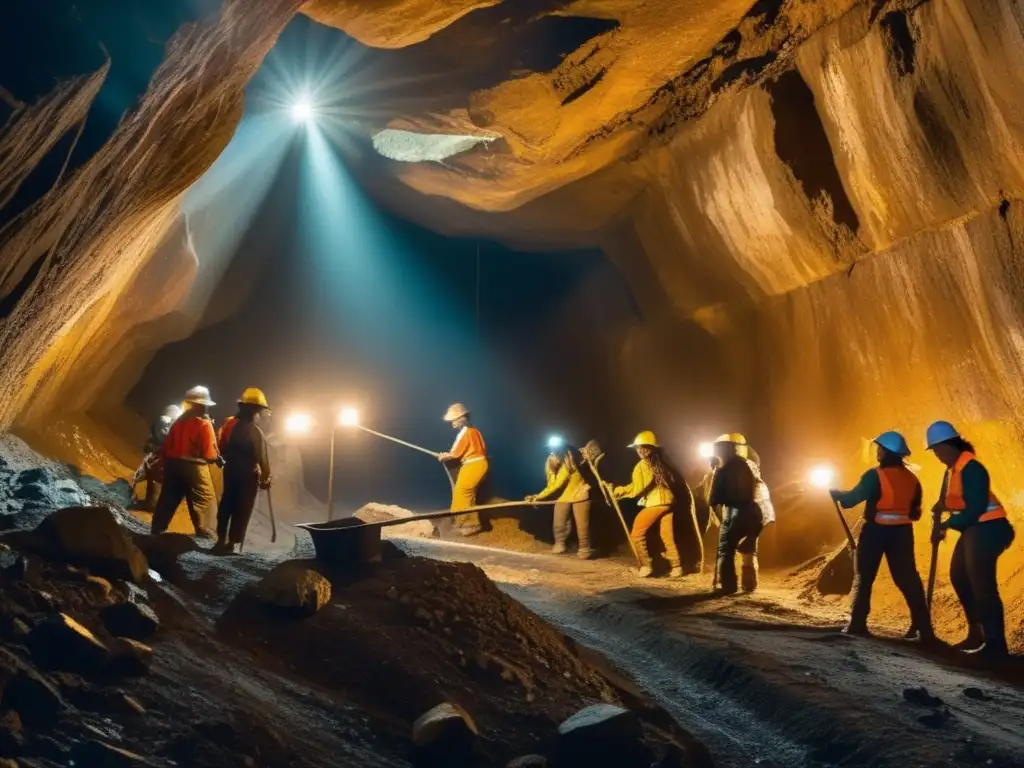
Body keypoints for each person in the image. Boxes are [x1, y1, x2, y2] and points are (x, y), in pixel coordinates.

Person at [829, 431, 933, 640]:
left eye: (880, 448)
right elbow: (915, 511)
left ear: (886, 452)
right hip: (903, 533)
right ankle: (923, 628)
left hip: (876, 532)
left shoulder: (874, 475)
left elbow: (850, 501)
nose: (877, 451)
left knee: (865, 577)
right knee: (908, 579)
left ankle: (857, 624)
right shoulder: (912, 478)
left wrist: (838, 494)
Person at [926, 421, 1015, 657]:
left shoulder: (973, 469)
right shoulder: (953, 470)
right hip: (974, 528)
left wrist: (946, 525)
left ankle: (996, 644)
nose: (937, 455)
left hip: (990, 528)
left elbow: (974, 508)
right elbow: (955, 500)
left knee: (982, 584)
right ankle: (978, 633)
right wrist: (940, 508)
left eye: (938, 450)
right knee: (959, 576)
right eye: (934, 451)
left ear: (950, 445)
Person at [609, 431, 696, 578]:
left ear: (650, 449)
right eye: (638, 448)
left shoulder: (643, 465)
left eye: (642, 447)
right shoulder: (663, 463)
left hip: (656, 503)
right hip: (669, 503)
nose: (639, 451)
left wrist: (616, 491)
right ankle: (676, 567)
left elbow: (638, 488)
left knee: (637, 534)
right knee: (666, 536)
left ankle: (645, 566)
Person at [151, 386, 221, 539]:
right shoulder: (204, 424)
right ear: (203, 405)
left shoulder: (178, 422)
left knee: (168, 499)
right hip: (195, 469)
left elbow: (167, 446)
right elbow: (209, 454)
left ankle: (156, 530)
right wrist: (217, 458)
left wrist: (163, 465)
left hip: (173, 466)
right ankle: (207, 535)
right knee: (205, 503)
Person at [212, 388, 272, 554]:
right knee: (242, 509)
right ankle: (232, 544)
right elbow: (262, 459)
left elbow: (221, 445)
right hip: (247, 475)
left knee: (227, 504)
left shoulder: (229, 424)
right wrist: (266, 478)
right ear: (256, 412)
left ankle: (220, 540)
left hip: (230, 471)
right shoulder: (255, 432)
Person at [707, 433, 763, 594]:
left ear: (725, 448)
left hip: (733, 511)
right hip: (752, 511)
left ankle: (727, 585)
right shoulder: (748, 466)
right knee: (748, 548)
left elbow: (714, 496)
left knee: (726, 548)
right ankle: (749, 583)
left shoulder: (724, 468)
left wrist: (714, 502)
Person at [527, 441, 593, 559]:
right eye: (552, 449)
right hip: (564, 495)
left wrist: (538, 496)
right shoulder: (550, 460)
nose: (553, 451)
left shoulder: (570, 458)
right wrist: (538, 496)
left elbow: (557, 484)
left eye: (556, 448)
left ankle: (584, 548)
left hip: (580, 492)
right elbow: (551, 484)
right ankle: (560, 545)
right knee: (559, 522)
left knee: (582, 524)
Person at [437, 403, 488, 536]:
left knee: (463, 492)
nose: (452, 423)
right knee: (462, 493)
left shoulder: (467, 432)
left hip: (474, 464)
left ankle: (470, 524)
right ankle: (463, 523)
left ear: (461, 418)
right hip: (471, 464)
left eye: (453, 420)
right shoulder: (473, 431)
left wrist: (445, 456)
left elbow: (456, 453)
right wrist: (448, 455)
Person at [131, 403, 182, 511]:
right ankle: (150, 501)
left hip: (166, 460)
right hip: (161, 458)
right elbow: (157, 438)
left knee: (157, 477)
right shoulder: (165, 424)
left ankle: (152, 504)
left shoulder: (176, 428)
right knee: (151, 475)